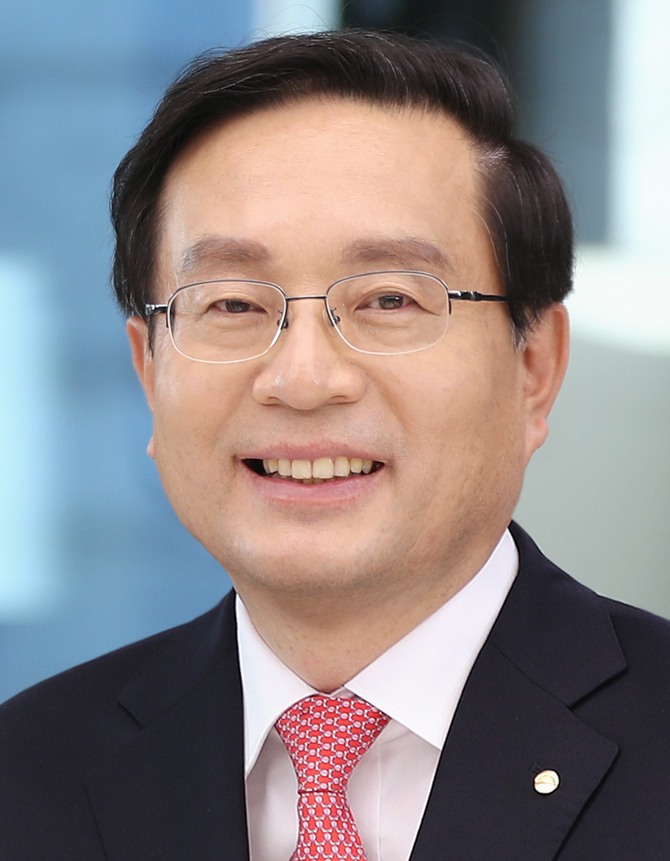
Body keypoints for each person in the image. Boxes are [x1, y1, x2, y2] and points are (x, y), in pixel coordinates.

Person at [1, 29, 669, 861]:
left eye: (389, 299)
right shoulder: (25, 776)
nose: (304, 379)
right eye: (233, 304)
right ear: (149, 372)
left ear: (535, 367)